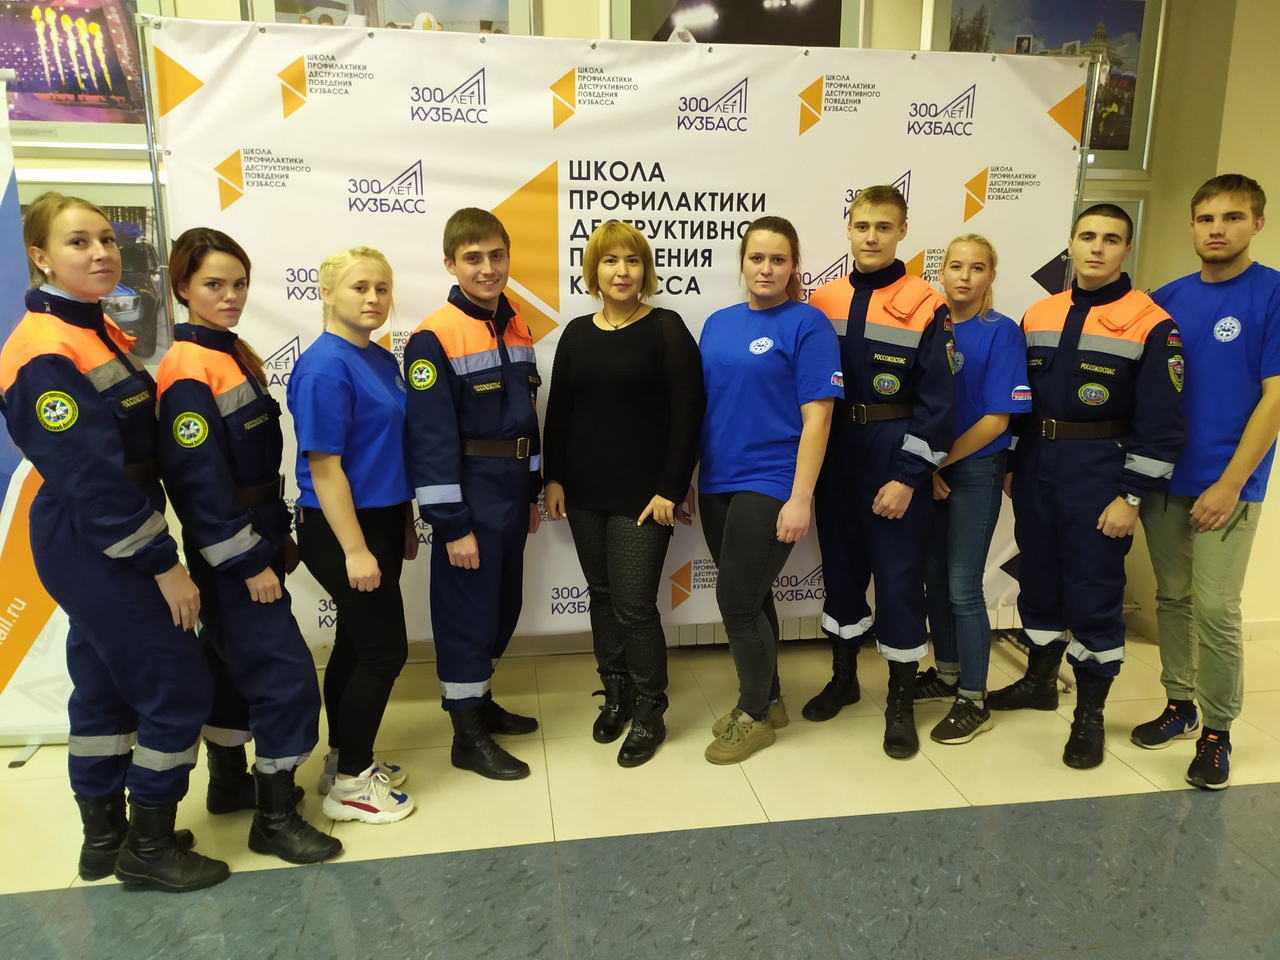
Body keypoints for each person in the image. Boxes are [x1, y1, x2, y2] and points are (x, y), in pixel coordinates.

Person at [0, 193, 227, 891]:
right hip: (98, 537)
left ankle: (105, 838)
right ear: (40, 256)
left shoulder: (91, 328)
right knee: (178, 685)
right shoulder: (46, 350)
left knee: (102, 684)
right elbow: (93, 481)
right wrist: (164, 566)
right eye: (78, 242)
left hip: (99, 531)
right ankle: (149, 847)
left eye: (105, 238)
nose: (101, 252)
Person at [154, 228, 341, 863]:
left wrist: (275, 537)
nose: (230, 295)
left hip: (255, 531)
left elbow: (251, 469)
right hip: (233, 550)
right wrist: (246, 563)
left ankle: (231, 784)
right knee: (285, 678)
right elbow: (198, 484)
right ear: (183, 287)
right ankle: (275, 818)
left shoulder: (228, 352)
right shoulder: (189, 370)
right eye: (214, 284)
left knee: (233, 665)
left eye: (238, 284)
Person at [992, 204, 1186, 769]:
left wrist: (1131, 496)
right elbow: (1020, 399)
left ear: (1127, 249)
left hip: (1101, 472)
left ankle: (1089, 715)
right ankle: (1039, 682)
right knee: (1039, 581)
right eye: (1087, 236)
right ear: (1071, 244)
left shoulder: (1152, 322)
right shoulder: (1038, 314)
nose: (1097, 248)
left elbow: (1163, 425)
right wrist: (1013, 462)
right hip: (1037, 465)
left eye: (1111, 239)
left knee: (1094, 593)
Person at [1131, 174, 1280, 789]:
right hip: (1165, 478)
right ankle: (1180, 703)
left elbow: (1275, 397)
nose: (1217, 229)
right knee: (1173, 597)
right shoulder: (1166, 299)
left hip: (1228, 483)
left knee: (1216, 607)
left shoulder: (1272, 293)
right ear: (1192, 226)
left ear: (1257, 224)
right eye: (1206, 219)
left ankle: (1217, 731)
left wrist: (1230, 483)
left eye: (1233, 217)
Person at [542, 220, 705, 767]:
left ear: (645, 270)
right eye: (610, 261)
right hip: (584, 490)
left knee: (634, 605)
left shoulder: (666, 327)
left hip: (645, 496)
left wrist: (671, 488)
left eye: (632, 260)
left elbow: (688, 414)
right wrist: (554, 477)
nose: (622, 271)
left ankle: (650, 709)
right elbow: (559, 412)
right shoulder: (576, 333)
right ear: (594, 270)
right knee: (602, 594)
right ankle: (616, 693)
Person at [805, 184, 956, 760]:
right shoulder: (822, 300)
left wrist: (908, 476)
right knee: (841, 572)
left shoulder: (926, 303)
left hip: (893, 450)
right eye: (863, 225)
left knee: (897, 580)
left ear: (903, 231)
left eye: (884, 227)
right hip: (835, 450)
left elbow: (939, 403)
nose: (872, 237)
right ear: (849, 228)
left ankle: (899, 701)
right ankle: (844, 680)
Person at [404, 208, 543, 781]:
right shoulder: (433, 336)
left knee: (501, 606)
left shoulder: (517, 324)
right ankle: (466, 734)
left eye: (496, 256)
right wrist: (452, 523)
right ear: (450, 264)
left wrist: (532, 489)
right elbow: (430, 438)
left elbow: (528, 417)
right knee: (466, 613)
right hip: (471, 493)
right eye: (472, 258)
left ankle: (480, 701)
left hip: (513, 489)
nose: (487, 269)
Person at [698, 216, 840, 764]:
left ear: (793, 266)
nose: (766, 268)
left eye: (778, 259)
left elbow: (818, 418)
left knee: (735, 601)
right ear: (742, 263)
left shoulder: (808, 323)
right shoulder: (717, 323)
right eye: (756, 258)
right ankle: (772, 698)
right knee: (753, 596)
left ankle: (753, 715)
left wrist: (800, 497)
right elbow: (706, 406)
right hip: (717, 480)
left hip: (773, 478)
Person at [287, 246, 417, 823]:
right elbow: (325, 468)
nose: (373, 299)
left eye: (381, 289)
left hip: (381, 517)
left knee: (356, 644)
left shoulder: (380, 358)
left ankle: (342, 757)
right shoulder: (324, 366)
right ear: (327, 293)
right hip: (342, 527)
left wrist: (403, 521)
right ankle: (352, 786)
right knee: (385, 652)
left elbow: (387, 449)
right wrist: (357, 548)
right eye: (359, 287)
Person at [919, 235, 1031, 743]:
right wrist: (926, 467)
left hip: (974, 470)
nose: (964, 276)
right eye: (955, 266)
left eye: (977, 268)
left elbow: (997, 420)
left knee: (964, 586)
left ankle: (974, 698)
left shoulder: (1000, 331)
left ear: (991, 276)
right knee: (935, 579)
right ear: (941, 272)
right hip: (931, 470)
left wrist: (938, 462)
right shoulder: (931, 326)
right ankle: (947, 673)